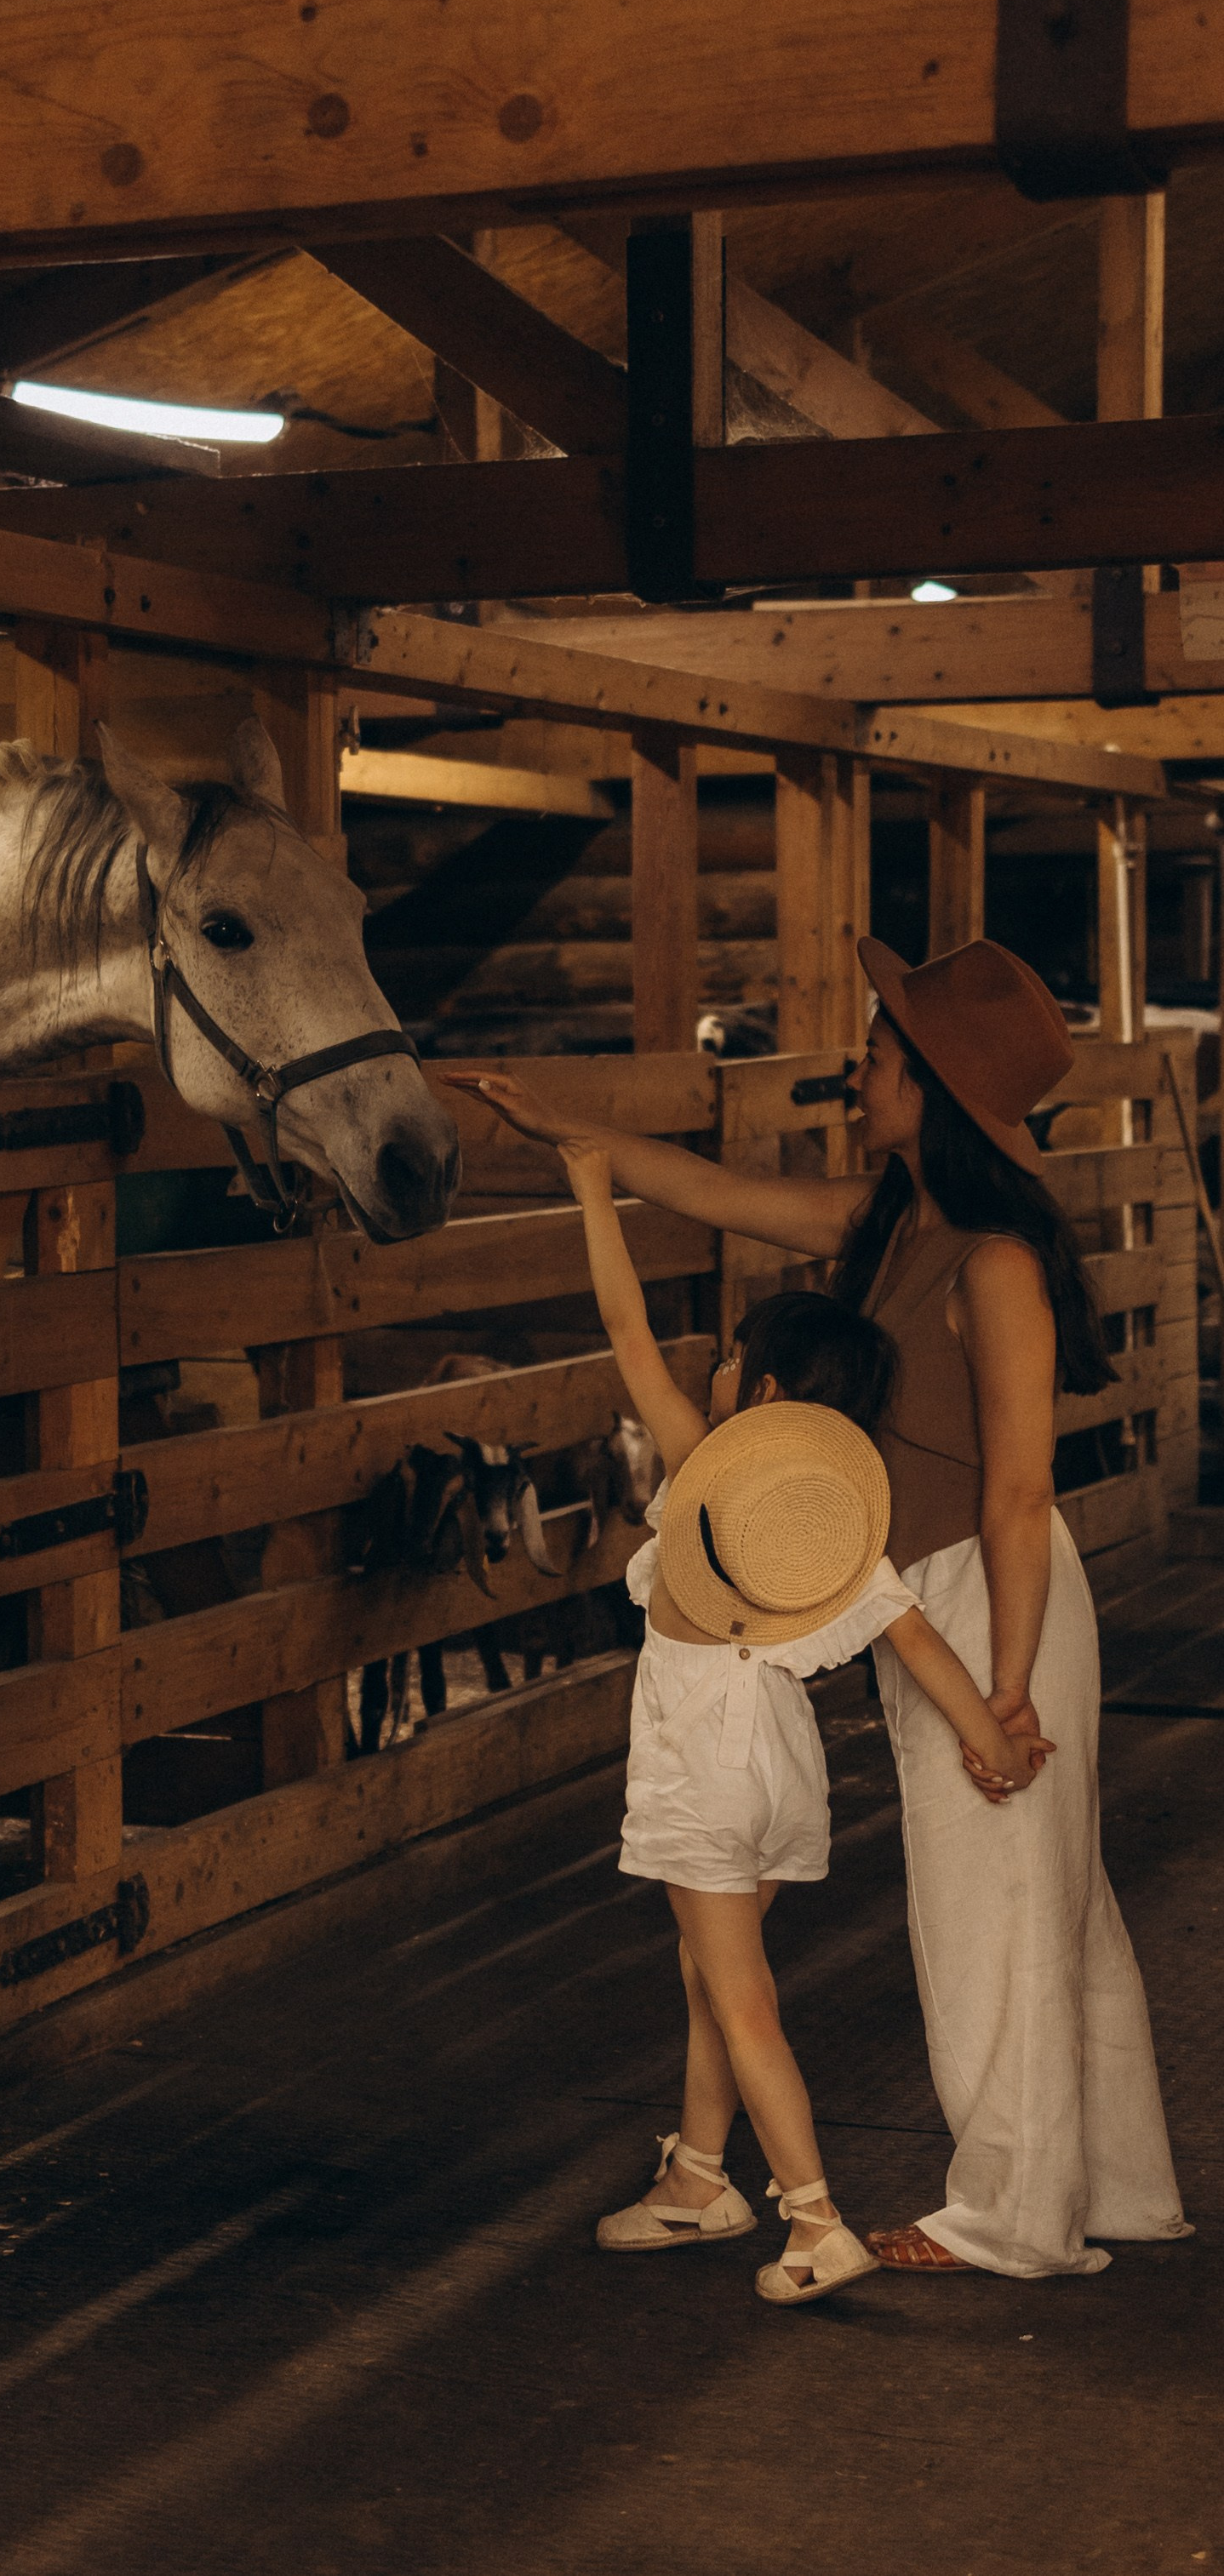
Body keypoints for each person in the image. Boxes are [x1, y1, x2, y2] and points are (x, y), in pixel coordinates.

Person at [451, 936, 1190, 2278]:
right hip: (935, 1589)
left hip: (992, 1590)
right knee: (1050, 1899)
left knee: (998, 1899)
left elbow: (1020, 1491)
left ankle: (1012, 2218)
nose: (859, 1071)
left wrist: (1007, 1680)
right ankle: (1113, 2185)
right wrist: (580, 1134)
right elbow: (720, 1194)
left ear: (936, 1089)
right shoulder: (896, 1223)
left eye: (880, 1056)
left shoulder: (996, 1263)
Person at [557, 1132, 1045, 2305]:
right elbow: (916, 1634)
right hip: (781, 1775)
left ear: (762, 1394)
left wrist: (592, 1184)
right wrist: (994, 1734)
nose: (713, 1373)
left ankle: (813, 2217)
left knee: (740, 1995)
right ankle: (698, 2173)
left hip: (698, 1774)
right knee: (710, 1969)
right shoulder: (834, 1534)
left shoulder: (704, 1473)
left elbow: (626, 1335)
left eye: (728, 1360)